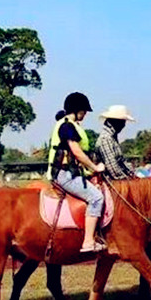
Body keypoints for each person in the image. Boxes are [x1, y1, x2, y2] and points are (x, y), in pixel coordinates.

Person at [47, 92, 107, 253]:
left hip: (71, 173)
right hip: (63, 174)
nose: (85, 114)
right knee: (96, 197)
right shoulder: (67, 126)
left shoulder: (71, 125)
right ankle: (88, 241)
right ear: (76, 109)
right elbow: (77, 152)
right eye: (84, 110)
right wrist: (96, 168)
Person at [95, 105, 137, 180]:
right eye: (123, 122)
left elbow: (122, 162)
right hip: (111, 181)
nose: (124, 125)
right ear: (116, 122)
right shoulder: (106, 139)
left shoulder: (112, 138)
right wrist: (130, 181)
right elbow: (113, 169)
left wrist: (133, 175)